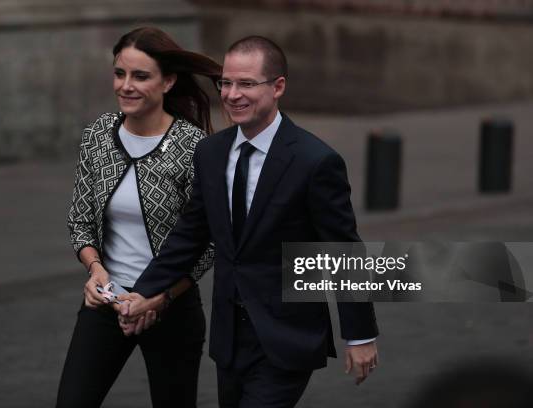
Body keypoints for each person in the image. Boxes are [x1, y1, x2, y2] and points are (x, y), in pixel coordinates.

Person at [121, 36, 380, 407]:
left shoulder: (315, 161)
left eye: (246, 83)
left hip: (287, 336)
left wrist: (360, 335)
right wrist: (145, 290)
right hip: (229, 338)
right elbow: (191, 234)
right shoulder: (210, 153)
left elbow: (342, 250)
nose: (231, 94)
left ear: (278, 87)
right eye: (226, 83)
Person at [56, 27, 221, 408]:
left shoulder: (194, 147)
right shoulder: (98, 134)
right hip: (107, 300)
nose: (125, 86)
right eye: (119, 73)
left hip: (171, 307)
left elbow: (209, 242)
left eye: (140, 76)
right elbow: (80, 219)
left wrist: (157, 297)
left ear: (168, 81)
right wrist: (95, 270)